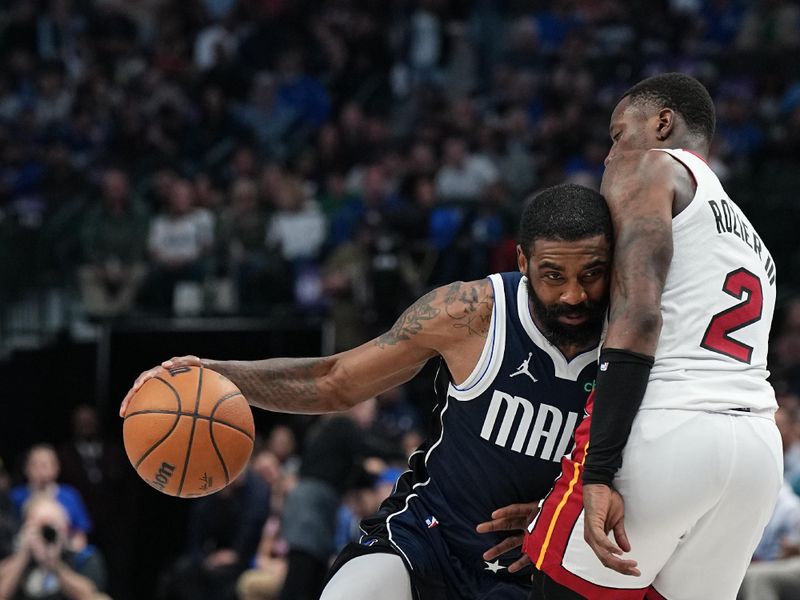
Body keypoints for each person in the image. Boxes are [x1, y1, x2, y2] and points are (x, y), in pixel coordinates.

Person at [120, 183, 614, 600]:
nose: (574, 294)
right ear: (523, 261)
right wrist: (215, 373)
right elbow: (334, 381)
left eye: (591, 274)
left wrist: (560, 513)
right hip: (428, 535)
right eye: (554, 275)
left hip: (539, 563)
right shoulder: (471, 312)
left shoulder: (635, 341)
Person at [523, 73, 782, 600]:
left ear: (662, 122)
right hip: (756, 451)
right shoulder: (751, 240)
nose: (608, 154)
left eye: (618, 134)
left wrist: (599, 471)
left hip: (668, 426)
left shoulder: (648, 165)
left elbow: (639, 315)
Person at [0, 495, 108, 600]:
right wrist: (23, 557)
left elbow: (90, 596)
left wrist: (54, 564)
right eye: (39, 526)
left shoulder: (83, 558)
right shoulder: (14, 560)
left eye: (52, 525)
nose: (46, 534)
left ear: (65, 527)